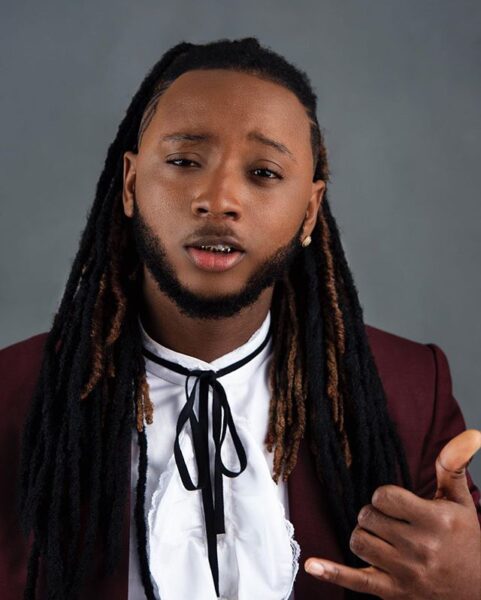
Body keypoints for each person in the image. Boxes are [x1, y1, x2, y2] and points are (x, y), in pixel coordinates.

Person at [0, 37, 480, 600]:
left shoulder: (408, 392)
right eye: (184, 161)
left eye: (264, 172)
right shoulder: (12, 395)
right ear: (130, 185)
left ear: (309, 211)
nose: (219, 198)